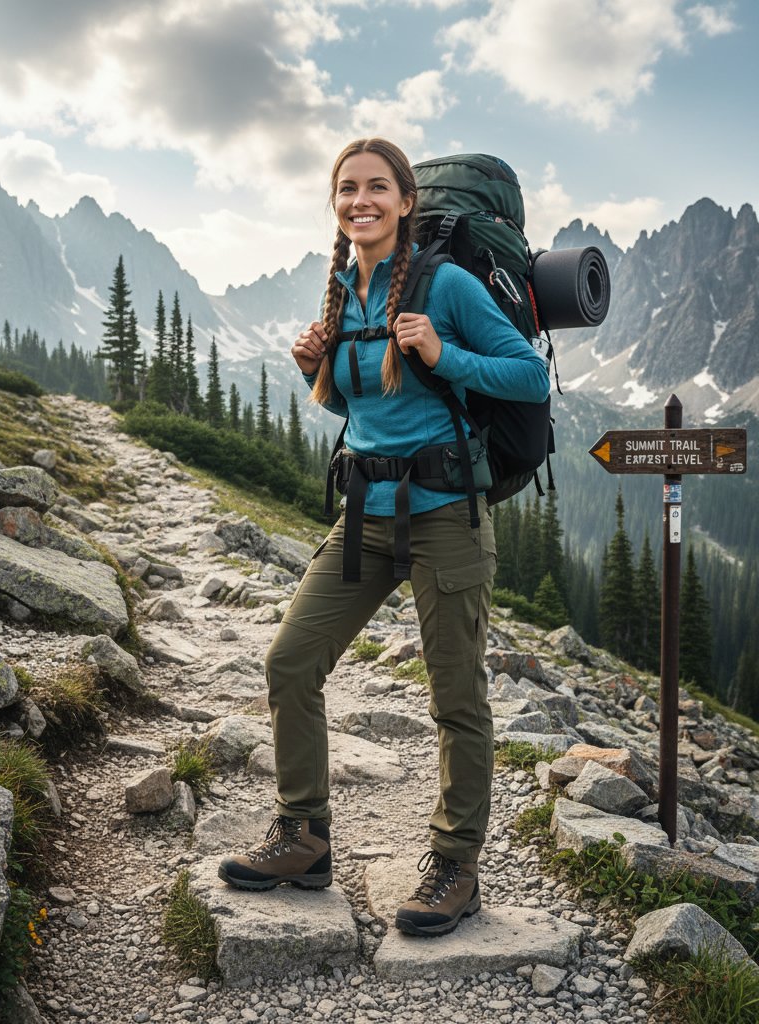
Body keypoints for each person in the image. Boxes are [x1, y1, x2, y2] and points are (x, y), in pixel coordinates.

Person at [217, 138, 550, 937]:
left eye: (375, 188)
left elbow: (529, 376)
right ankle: (303, 837)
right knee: (291, 660)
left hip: (447, 517)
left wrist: (444, 352)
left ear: (405, 202)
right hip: (365, 512)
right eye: (346, 189)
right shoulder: (341, 290)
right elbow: (361, 404)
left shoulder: (448, 285)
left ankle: (455, 867)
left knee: (456, 698)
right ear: (335, 204)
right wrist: (313, 370)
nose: (359, 201)